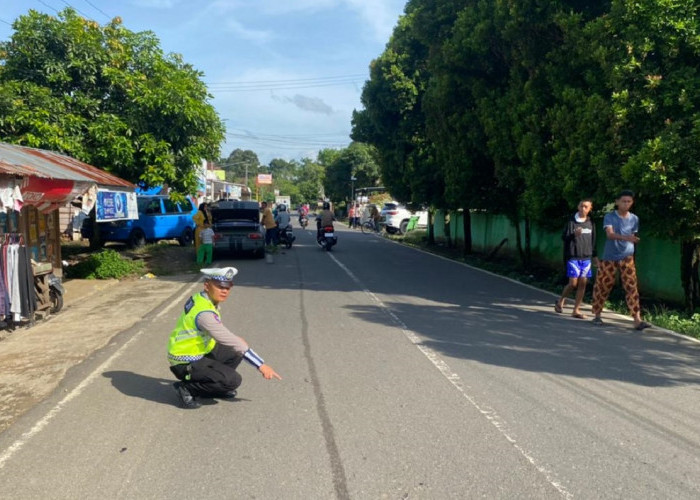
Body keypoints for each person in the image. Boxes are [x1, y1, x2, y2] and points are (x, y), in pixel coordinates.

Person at [167, 267, 282, 409]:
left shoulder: (202, 298)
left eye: (228, 287)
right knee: (233, 380)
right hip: (185, 360)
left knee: (235, 352)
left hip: (199, 351)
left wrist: (237, 342)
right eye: (220, 287)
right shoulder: (204, 313)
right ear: (207, 285)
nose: (225, 291)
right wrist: (261, 365)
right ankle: (187, 388)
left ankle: (215, 386)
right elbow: (227, 338)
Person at [591, 190, 651, 330]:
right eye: (623, 201)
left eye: (629, 201)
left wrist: (633, 240)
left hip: (627, 257)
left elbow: (633, 235)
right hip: (610, 257)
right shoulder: (610, 217)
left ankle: (637, 319)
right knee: (603, 285)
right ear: (617, 202)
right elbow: (610, 235)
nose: (626, 204)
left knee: (631, 287)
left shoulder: (634, 219)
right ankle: (597, 315)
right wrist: (627, 238)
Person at [555, 199, 597, 319]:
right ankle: (560, 300)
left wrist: (594, 256)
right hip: (573, 256)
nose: (583, 208)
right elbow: (564, 237)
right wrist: (574, 235)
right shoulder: (571, 221)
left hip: (586, 257)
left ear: (590, 209)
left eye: (586, 207)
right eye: (581, 206)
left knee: (583, 283)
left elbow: (593, 240)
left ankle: (576, 310)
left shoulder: (591, 222)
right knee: (573, 283)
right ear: (578, 207)